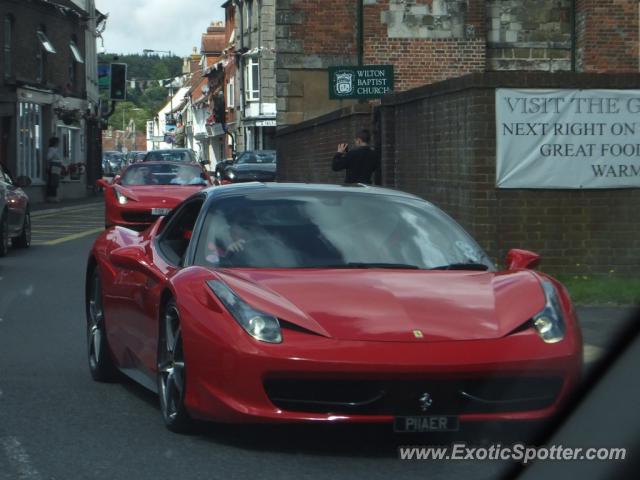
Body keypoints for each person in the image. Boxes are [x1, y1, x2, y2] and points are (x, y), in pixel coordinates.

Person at [46, 137, 63, 202]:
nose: (59, 144)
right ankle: (52, 197)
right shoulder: (52, 149)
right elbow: (48, 157)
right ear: (55, 143)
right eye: (58, 142)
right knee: (53, 181)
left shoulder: (56, 149)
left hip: (57, 166)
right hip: (54, 166)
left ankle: (54, 196)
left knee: (55, 182)